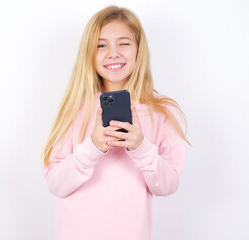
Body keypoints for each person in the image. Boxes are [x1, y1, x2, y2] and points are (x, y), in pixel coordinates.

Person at [42, 5, 190, 240]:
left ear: (139, 50)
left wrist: (140, 148)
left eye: (123, 43)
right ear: (89, 53)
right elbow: (55, 185)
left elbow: (168, 185)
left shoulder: (161, 111)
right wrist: (92, 147)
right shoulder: (75, 108)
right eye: (101, 45)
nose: (113, 53)